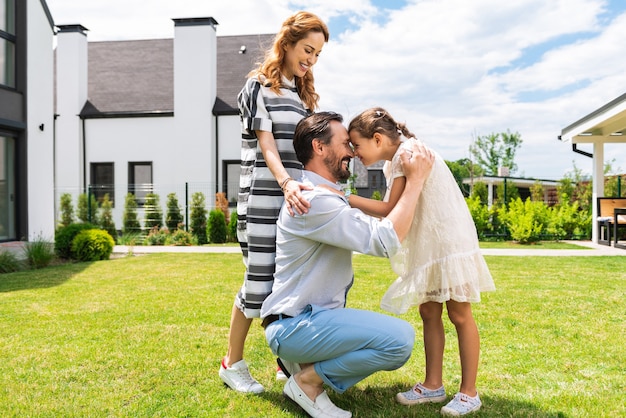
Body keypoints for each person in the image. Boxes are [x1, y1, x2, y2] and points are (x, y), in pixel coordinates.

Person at [260, 111, 435, 418]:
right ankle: (307, 382)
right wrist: (416, 181)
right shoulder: (314, 201)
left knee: (389, 336)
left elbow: (373, 214)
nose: (353, 152)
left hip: (298, 322)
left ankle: (301, 366)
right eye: (345, 143)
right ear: (319, 147)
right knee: (400, 341)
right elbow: (384, 241)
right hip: (294, 326)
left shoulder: (321, 196)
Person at [345, 107, 496, 416]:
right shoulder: (398, 159)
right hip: (430, 243)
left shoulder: (406, 154)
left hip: (446, 243)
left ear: (377, 139)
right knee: (429, 310)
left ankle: (469, 393)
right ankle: (433, 385)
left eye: (357, 145)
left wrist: (342, 198)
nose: (354, 152)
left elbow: (390, 208)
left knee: (460, 313)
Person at [219, 11, 329, 394]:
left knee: (289, 284)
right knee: (259, 280)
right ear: (287, 44)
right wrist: (285, 183)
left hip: (294, 202)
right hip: (264, 200)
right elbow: (267, 143)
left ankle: (287, 364)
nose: (311, 60)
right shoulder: (257, 86)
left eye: (316, 54)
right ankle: (231, 363)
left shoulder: (303, 97)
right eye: (307, 50)